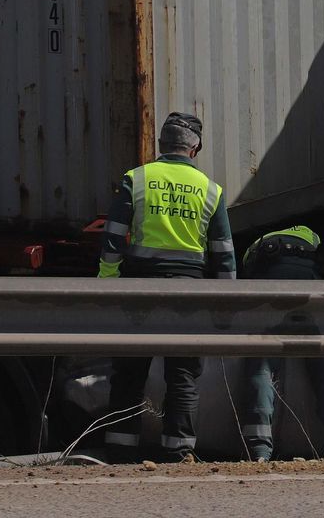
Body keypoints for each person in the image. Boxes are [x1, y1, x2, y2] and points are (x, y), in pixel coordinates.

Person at [97, 112, 236, 461]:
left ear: (161, 145)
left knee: (129, 373)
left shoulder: (137, 179)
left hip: (138, 290)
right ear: (196, 148)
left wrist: (107, 287)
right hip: (189, 294)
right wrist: (225, 304)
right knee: (183, 375)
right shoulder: (211, 190)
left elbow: (112, 239)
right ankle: (179, 453)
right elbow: (223, 255)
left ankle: (119, 450)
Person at [240, 225, 324, 461]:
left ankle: (259, 448)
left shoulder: (257, 245)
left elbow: (247, 274)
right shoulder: (311, 235)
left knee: (262, 361)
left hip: (272, 284)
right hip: (309, 285)